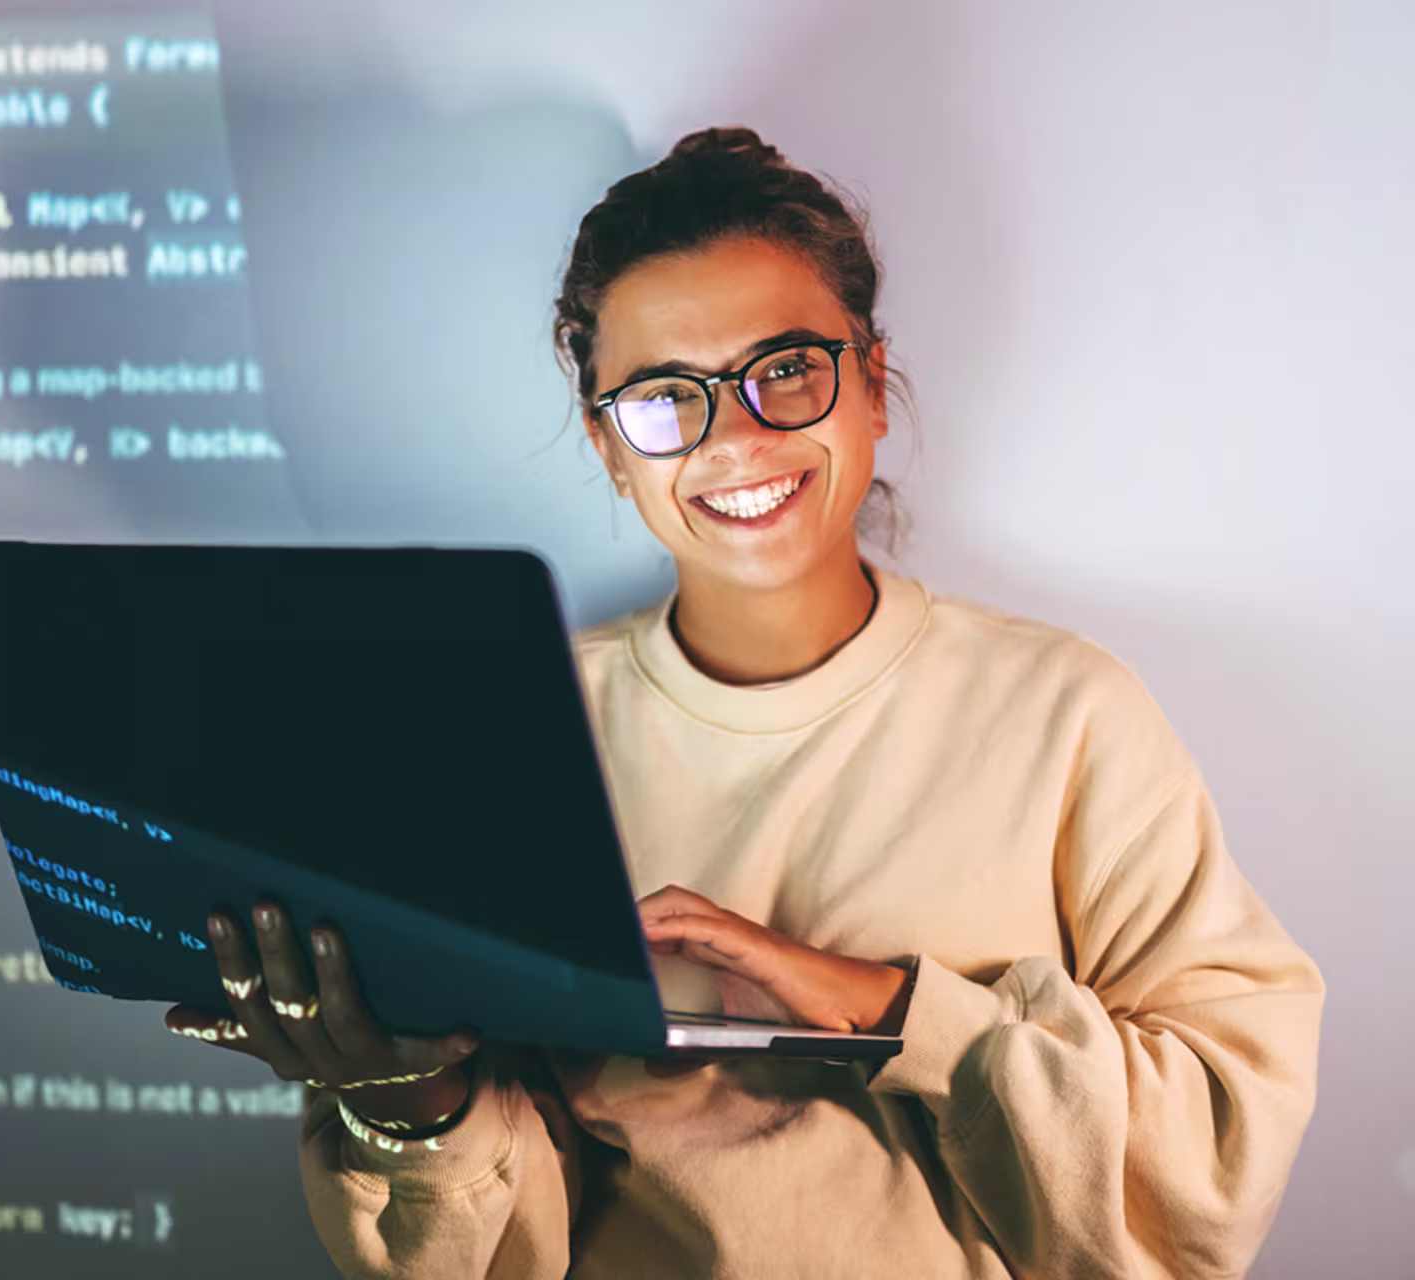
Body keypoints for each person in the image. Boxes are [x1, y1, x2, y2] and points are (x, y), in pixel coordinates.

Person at [163, 126, 1324, 1278]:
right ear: (611, 451)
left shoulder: (1070, 714)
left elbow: (1211, 1176)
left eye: (785, 370)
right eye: (666, 400)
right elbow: (478, 1252)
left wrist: (876, 1004)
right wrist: (408, 1099)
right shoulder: (501, 731)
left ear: (870, 381)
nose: (734, 436)